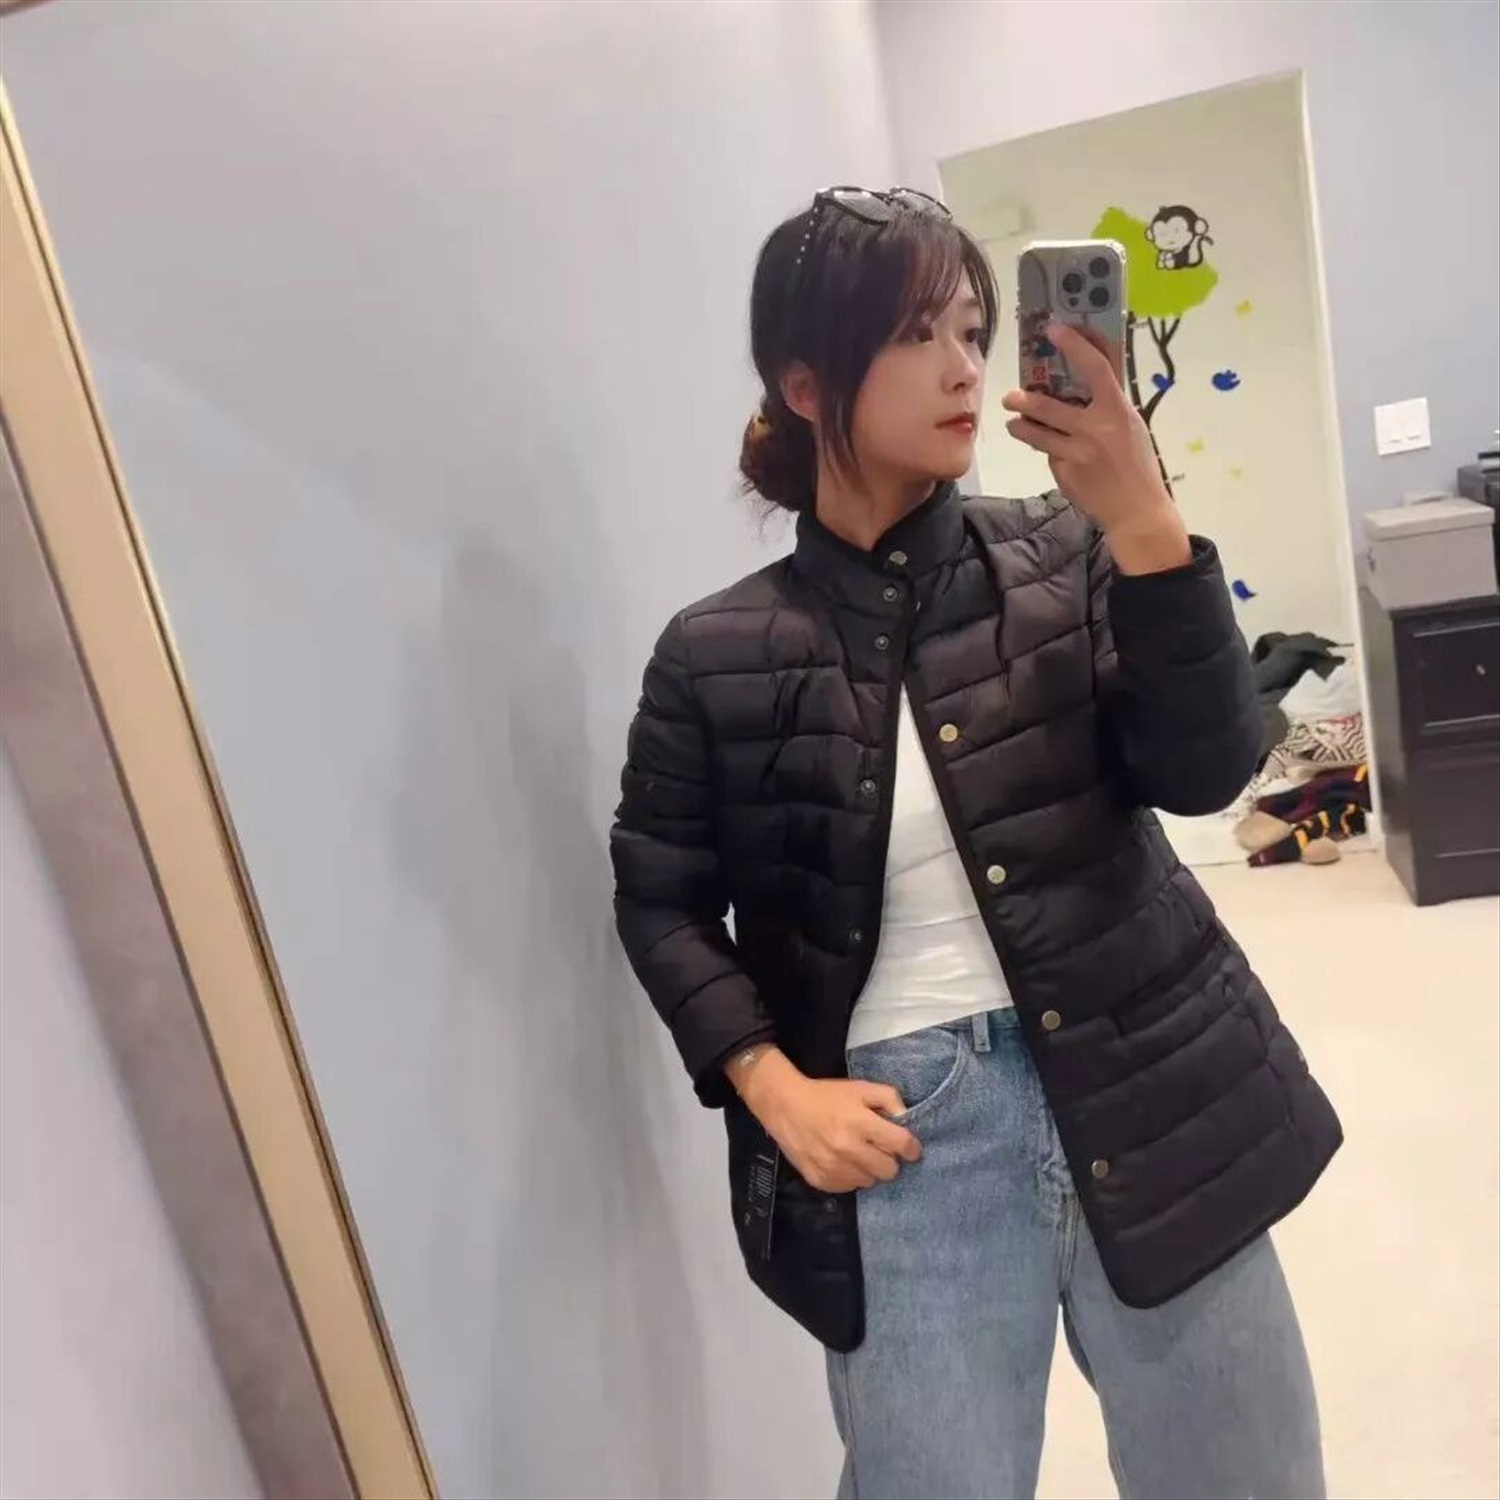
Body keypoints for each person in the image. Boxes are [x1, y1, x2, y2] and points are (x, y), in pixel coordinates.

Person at [610, 186, 1340, 1500]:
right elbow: (659, 899)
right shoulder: (713, 652)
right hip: (907, 1142)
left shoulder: (1071, 553)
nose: (963, 367)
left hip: (1152, 1088)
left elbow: (1206, 774)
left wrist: (1146, 522)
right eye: (916, 335)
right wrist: (772, 1088)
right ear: (804, 382)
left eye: (972, 330)